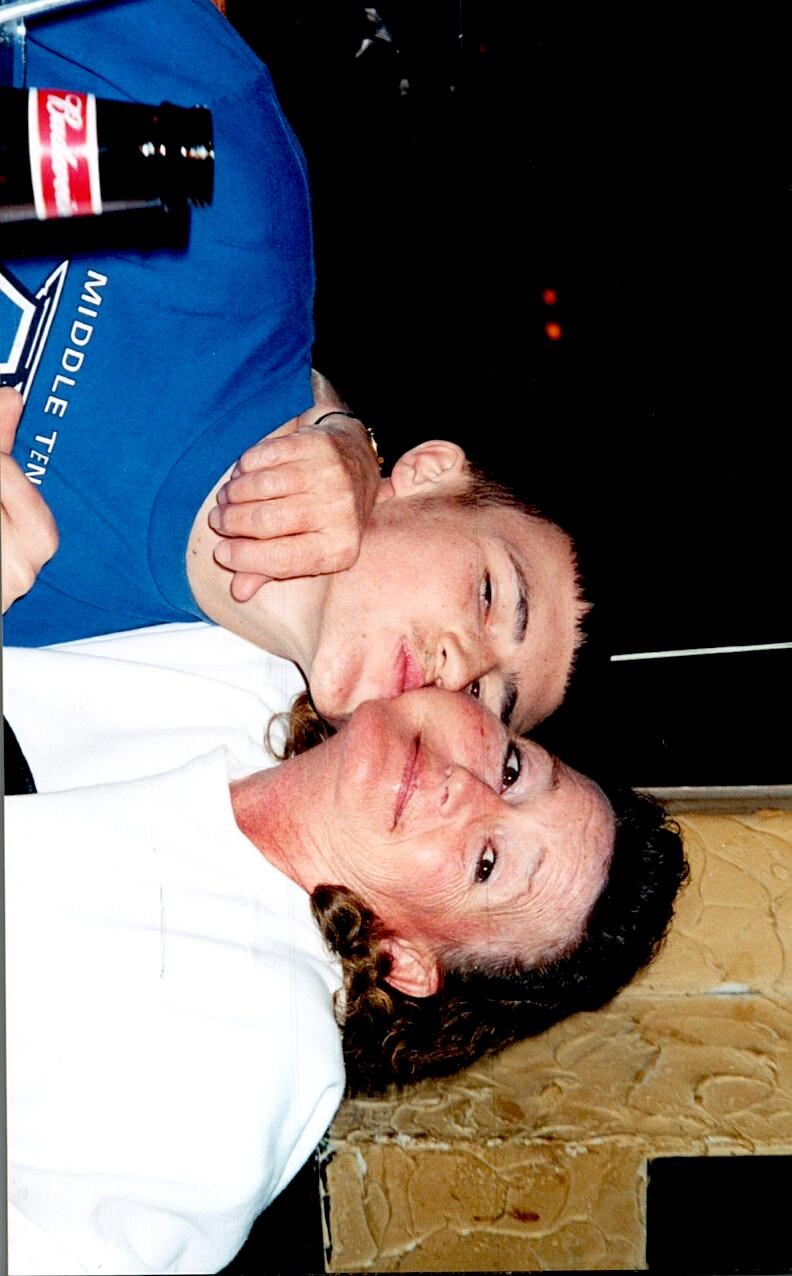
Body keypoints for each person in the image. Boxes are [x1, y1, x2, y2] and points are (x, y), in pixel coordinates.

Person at [1, 0, 584, 733]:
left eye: (484, 700)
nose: (459, 666)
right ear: (430, 473)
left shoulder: (89, 704)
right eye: (491, 597)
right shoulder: (235, 209)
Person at [5, 684, 688, 1275]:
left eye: (486, 863)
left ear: (407, 961)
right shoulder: (251, 666)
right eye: (512, 769)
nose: (469, 787)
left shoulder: (240, 1068)